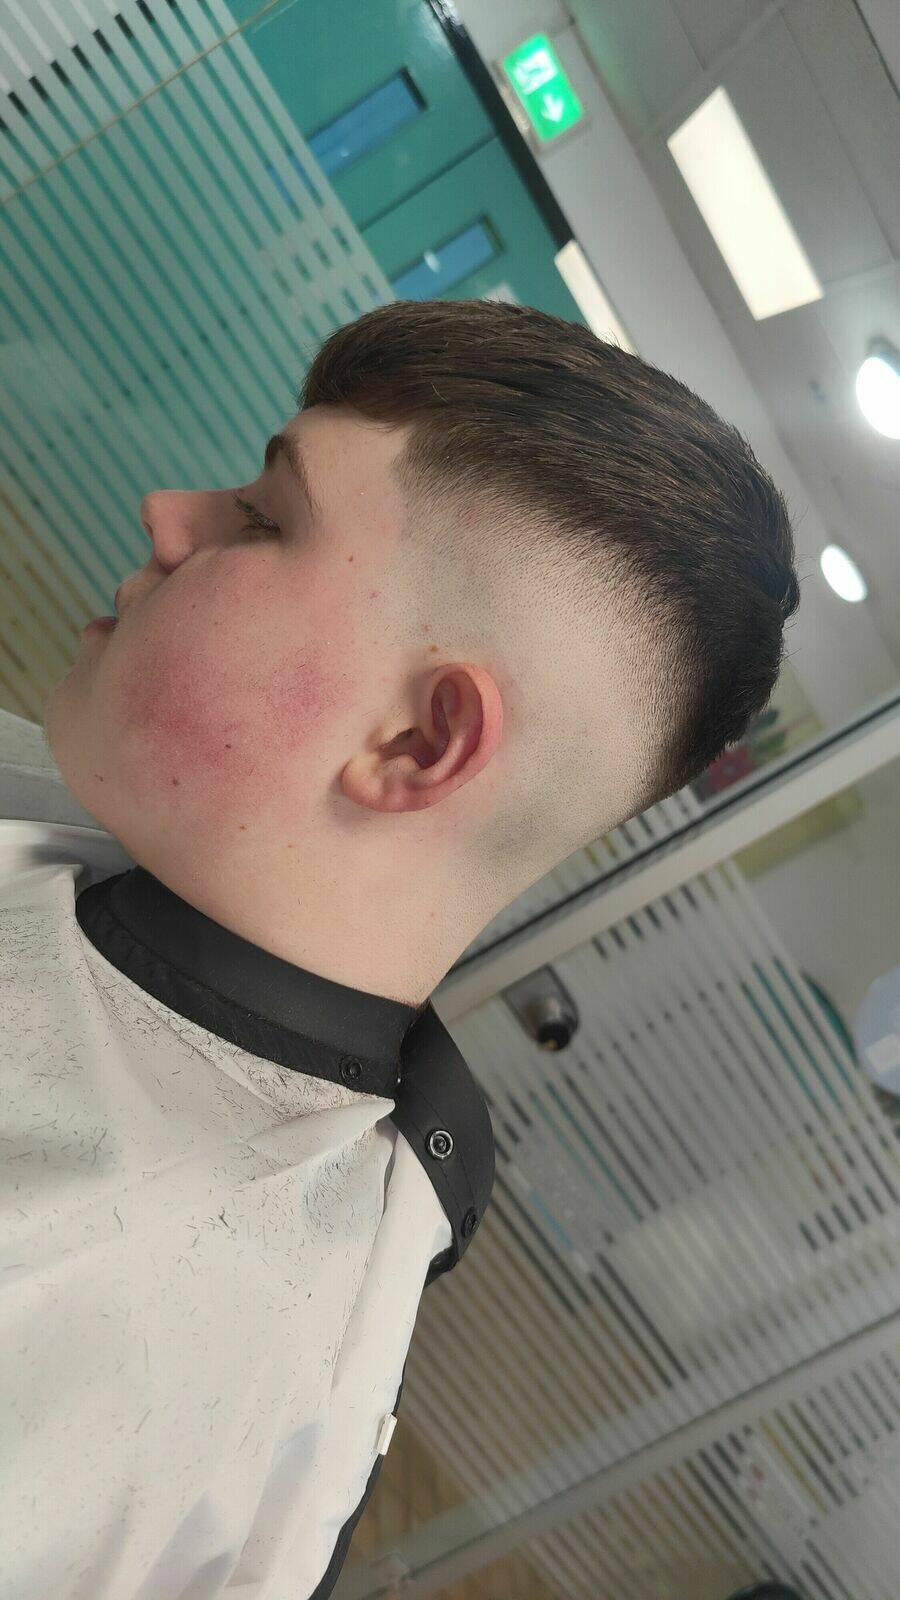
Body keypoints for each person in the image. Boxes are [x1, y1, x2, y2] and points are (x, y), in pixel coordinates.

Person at [1, 298, 801, 1599]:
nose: (169, 513)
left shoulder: (92, 1330)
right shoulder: (91, 841)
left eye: (264, 519)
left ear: (419, 744)